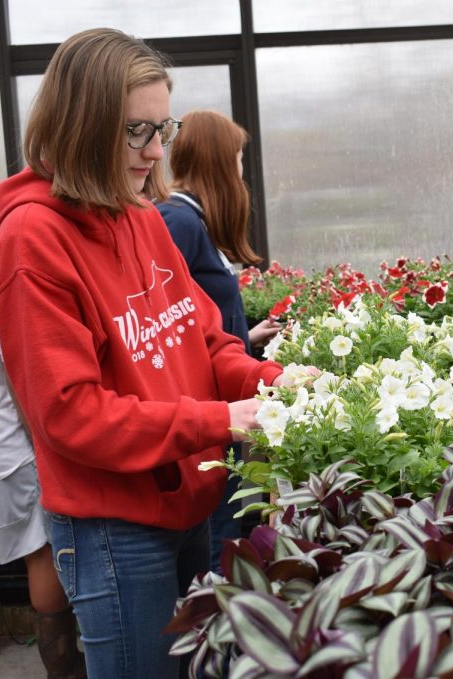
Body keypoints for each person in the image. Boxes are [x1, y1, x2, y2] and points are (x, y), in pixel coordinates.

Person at [0, 29, 283, 679]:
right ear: (80, 126)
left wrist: (272, 380)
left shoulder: (141, 215)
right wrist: (220, 420)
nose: (154, 150)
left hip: (189, 504)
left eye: (161, 128)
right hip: (115, 531)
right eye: (134, 131)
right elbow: (69, 413)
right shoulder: (32, 241)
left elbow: (204, 339)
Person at [156, 110, 281, 571]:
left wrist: (244, 338)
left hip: (222, 407)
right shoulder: (178, 222)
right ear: (219, 160)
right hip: (206, 417)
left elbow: (191, 320)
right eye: (237, 157)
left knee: (225, 523)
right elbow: (163, 323)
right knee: (217, 536)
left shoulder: (194, 221)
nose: (241, 169)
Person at [0, 176, 85, 678]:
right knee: (39, 556)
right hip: (2, 448)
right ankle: (65, 668)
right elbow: (18, 371)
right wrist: (47, 438)